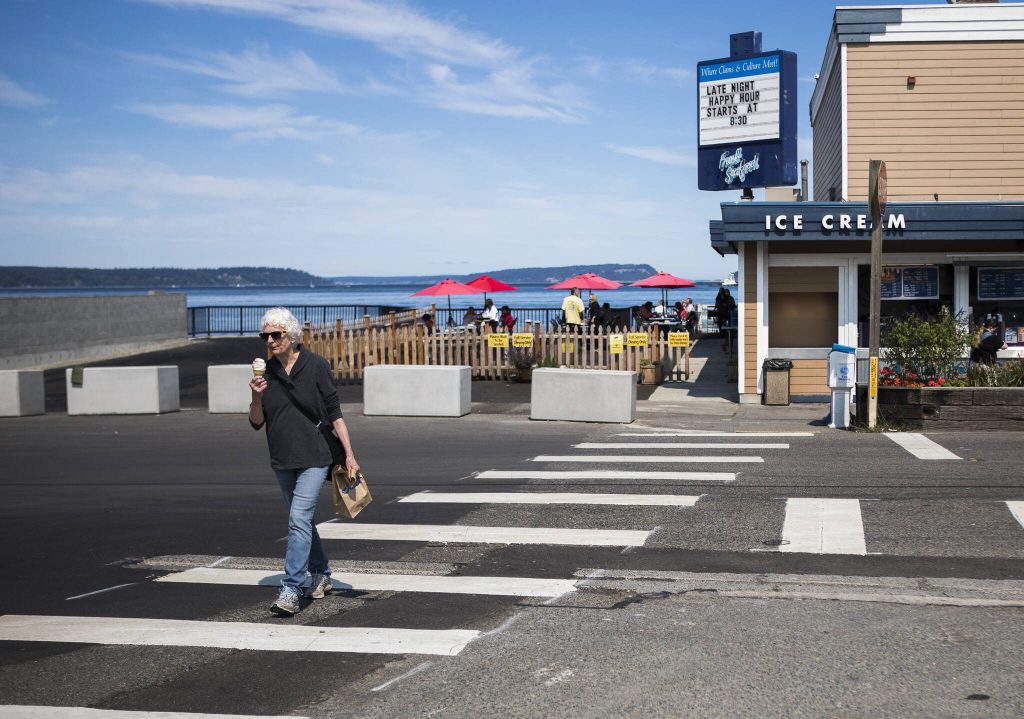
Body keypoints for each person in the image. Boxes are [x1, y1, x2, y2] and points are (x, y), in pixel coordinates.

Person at [248, 307, 360, 617]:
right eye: (265, 335)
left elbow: (334, 412)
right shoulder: (265, 373)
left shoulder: (316, 366)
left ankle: (291, 588)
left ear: (292, 335)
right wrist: (256, 396)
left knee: (298, 519)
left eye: (276, 334)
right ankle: (322, 570)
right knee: (303, 521)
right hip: (282, 457)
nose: (270, 340)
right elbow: (256, 421)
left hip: (315, 456)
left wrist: (349, 454)